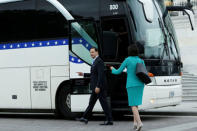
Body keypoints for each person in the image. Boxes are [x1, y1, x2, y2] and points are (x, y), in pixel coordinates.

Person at [110, 43, 145, 131]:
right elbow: (145, 73)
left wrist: (112, 69)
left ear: (129, 51)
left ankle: (140, 123)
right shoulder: (141, 60)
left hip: (131, 85)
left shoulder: (127, 60)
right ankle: (135, 124)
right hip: (140, 84)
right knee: (136, 104)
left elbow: (118, 72)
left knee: (133, 105)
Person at [76, 47, 113, 125]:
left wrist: (98, 86)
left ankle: (109, 120)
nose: (91, 54)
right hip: (95, 87)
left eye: (92, 52)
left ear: (97, 52)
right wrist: (83, 74)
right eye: (90, 52)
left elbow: (101, 75)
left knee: (104, 103)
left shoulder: (99, 61)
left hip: (99, 87)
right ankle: (85, 117)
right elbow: (94, 75)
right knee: (91, 103)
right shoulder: (95, 61)